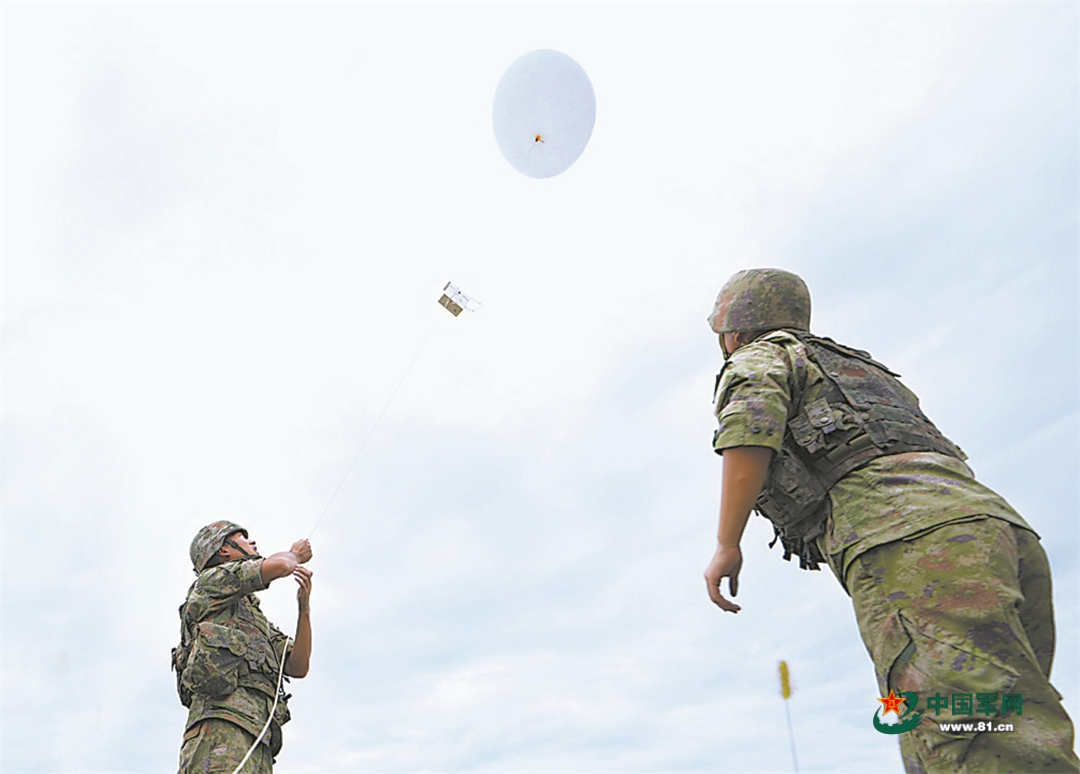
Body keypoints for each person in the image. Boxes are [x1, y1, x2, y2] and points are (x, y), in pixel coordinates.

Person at [702, 268, 1078, 773]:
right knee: (1014, 722)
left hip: (912, 543)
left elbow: (751, 428)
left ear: (734, 327)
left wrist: (728, 542)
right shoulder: (859, 370)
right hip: (999, 534)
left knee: (966, 738)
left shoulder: (761, 356)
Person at [172, 521, 313, 773]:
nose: (253, 543)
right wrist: (294, 554)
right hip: (219, 732)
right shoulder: (211, 583)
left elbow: (297, 665)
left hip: (259, 740)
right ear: (224, 549)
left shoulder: (252, 618)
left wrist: (304, 608)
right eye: (243, 538)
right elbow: (281, 565)